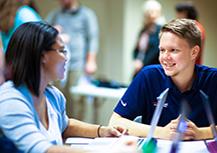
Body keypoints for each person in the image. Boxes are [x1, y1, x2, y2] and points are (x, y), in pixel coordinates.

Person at [0, 21, 138, 153]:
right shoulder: (11, 100)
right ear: (43, 56)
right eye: (61, 51)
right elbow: (41, 150)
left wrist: (102, 131)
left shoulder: (52, 95)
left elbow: (65, 126)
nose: (66, 58)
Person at [109, 19, 217, 140]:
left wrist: (201, 133)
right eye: (162, 50)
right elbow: (115, 121)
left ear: (194, 52)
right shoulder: (148, 76)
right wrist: (162, 132)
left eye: (173, 50)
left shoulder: (216, 79)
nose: (165, 57)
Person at [46, 0, 99, 119]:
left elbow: (93, 39)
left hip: (78, 65)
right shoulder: (55, 14)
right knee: (59, 97)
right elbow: (42, 32)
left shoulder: (86, 15)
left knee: (77, 102)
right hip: (58, 65)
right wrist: (54, 32)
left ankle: (77, 130)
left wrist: (91, 61)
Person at [133, 0, 166, 78]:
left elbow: (156, 50)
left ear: (159, 13)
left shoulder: (161, 30)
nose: (150, 14)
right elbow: (136, 49)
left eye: (152, 11)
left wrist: (142, 63)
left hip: (152, 68)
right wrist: (136, 60)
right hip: (140, 68)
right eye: (148, 12)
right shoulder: (143, 30)